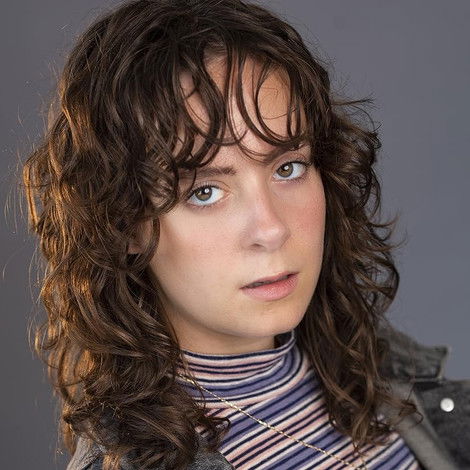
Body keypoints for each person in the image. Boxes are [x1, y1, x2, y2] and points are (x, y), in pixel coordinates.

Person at [21, 0, 469, 469]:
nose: (271, 228)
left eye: (288, 167)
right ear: (122, 224)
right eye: (205, 192)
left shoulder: (381, 370)